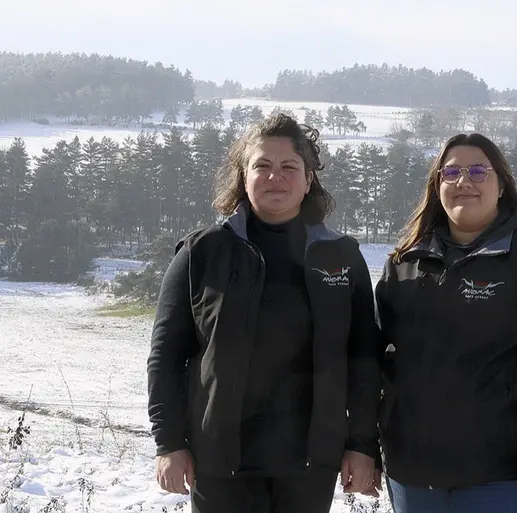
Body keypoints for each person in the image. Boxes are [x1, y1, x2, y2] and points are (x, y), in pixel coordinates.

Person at [146, 113, 381, 513]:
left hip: (310, 464)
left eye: (290, 167)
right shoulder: (202, 253)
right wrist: (169, 443)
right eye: (263, 166)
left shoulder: (342, 256)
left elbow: (364, 359)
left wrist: (361, 444)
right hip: (220, 462)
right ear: (243, 176)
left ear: (308, 180)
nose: (277, 177)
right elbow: (165, 356)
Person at [371, 133, 517, 512]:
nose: (464, 182)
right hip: (412, 474)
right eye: (451, 172)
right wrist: (366, 446)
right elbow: (371, 358)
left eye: (478, 171)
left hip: (502, 478)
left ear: (501, 184)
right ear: (437, 185)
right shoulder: (404, 264)